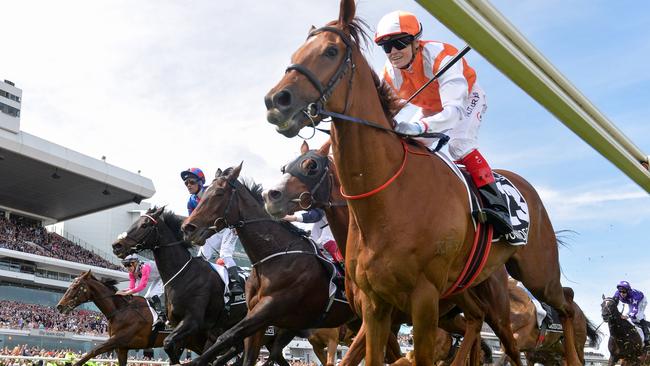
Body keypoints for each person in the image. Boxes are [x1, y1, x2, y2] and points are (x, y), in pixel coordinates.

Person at [374, 10, 512, 235]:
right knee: (405, 146)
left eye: (399, 43)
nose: (393, 52)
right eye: (386, 47)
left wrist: (421, 127)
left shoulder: (441, 56)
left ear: (416, 42)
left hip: (465, 99)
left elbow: (453, 112)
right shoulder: (389, 74)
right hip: (430, 106)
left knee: (460, 145)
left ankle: (498, 207)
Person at [283, 208, 345, 274]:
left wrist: (293, 218)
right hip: (319, 225)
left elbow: (317, 214)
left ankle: (346, 267)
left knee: (326, 239)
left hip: (334, 220)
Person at [116, 255, 166, 331]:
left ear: (135, 263)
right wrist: (122, 291)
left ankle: (161, 316)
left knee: (152, 295)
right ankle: (154, 318)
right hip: (156, 277)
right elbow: (132, 288)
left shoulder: (145, 267)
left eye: (129, 265)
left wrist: (126, 293)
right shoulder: (131, 273)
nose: (127, 267)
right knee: (146, 298)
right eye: (125, 265)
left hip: (163, 274)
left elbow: (142, 286)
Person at [198, 227, 245, 296]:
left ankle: (236, 284)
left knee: (225, 254)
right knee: (201, 256)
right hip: (214, 229)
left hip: (229, 227)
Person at [614, 280, 650, 347]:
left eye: (624, 292)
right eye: (620, 291)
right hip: (631, 301)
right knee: (632, 318)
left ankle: (647, 335)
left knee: (638, 315)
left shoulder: (634, 297)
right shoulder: (617, 293)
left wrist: (627, 316)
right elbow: (613, 302)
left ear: (628, 291)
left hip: (641, 301)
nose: (621, 293)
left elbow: (635, 309)